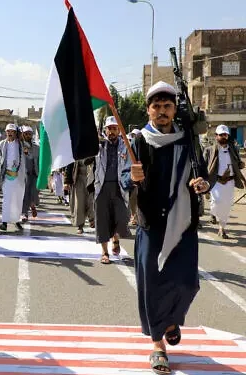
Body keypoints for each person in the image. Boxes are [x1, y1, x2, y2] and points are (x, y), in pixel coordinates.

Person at [131, 81, 210, 374]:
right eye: (156, 107)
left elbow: (201, 170)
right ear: (149, 110)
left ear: (175, 109)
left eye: (167, 107)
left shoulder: (186, 138)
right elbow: (128, 174)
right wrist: (133, 175)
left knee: (187, 282)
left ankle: (173, 320)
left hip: (183, 220)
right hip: (151, 221)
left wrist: (201, 182)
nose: (162, 112)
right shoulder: (139, 140)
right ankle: (157, 346)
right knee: (152, 285)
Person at [94, 116, 133, 264]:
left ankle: (115, 238)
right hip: (102, 187)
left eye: (114, 128)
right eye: (109, 129)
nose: (111, 131)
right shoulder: (99, 146)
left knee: (121, 218)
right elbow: (87, 159)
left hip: (119, 187)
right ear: (105, 130)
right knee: (102, 219)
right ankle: (105, 252)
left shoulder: (126, 146)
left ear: (119, 130)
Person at [204, 124, 245, 238]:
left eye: (225, 135)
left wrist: (241, 165)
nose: (223, 137)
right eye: (221, 135)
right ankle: (213, 213)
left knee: (226, 206)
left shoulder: (233, 149)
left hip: (230, 182)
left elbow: (238, 163)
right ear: (216, 136)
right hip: (216, 181)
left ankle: (222, 228)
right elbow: (203, 166)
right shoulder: (209, 150)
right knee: (216, 202)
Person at [0, 124, 27, 231]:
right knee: (7, 199)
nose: (10, 133)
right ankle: (4, 222)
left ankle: (17, 221)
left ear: (16, 133)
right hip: (7, 176)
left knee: (18, 199)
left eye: (12, 131)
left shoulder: (21, 145)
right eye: (8, 131)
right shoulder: (1, 145)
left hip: (18, 176)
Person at [21, 126, 40, 222]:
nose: (28, 135)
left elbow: (39, 161)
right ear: (23, 134)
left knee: (34, 193)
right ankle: (24, 213)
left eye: (29, 134)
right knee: (25, 194)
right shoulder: (20, 146)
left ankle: (32, 205)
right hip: (24, 174)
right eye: (26, 133)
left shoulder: (37, 147)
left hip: (35, 174)